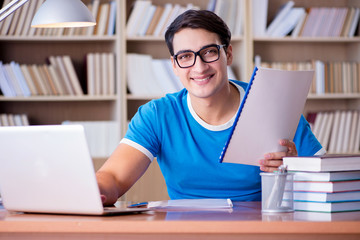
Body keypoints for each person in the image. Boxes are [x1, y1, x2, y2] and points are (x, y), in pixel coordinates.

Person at [96, 9, 325, 206]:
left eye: (209, 52)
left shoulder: (274, 105)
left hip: (258, 231)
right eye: (185, 56)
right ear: (175, 66)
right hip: (187, 233)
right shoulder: (157, 115)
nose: (199, 67)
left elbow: (326, 182)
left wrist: (295, 171)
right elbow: (114, 177)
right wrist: (94, 190)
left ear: (228, 54)